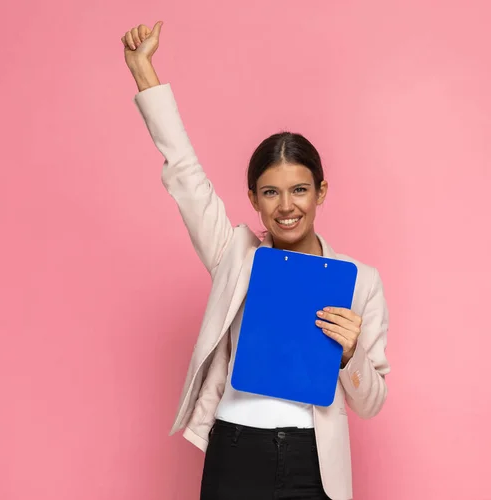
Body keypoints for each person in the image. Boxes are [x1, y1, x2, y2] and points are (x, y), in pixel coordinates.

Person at [121, 21, 390, 500]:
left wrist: (352, 355)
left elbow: (371, 403)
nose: (286, 206)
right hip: (235, 450)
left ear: (320, 192)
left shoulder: (360, 281)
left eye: (299, 190)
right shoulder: (236, 255)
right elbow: (186, 175)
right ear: (254, 198)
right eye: (271, 192)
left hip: (315, 462)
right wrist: (145, 73)